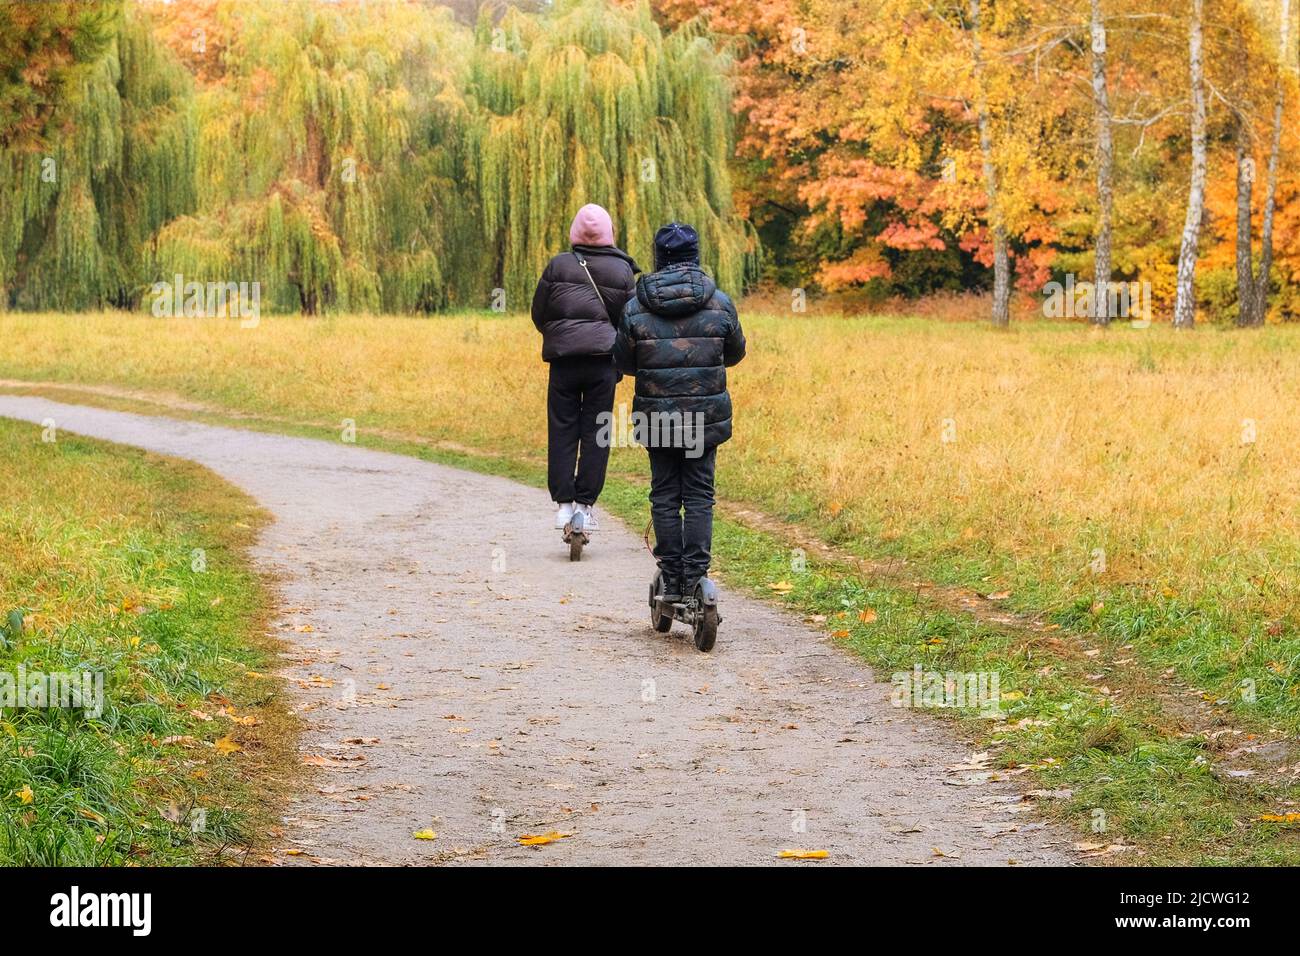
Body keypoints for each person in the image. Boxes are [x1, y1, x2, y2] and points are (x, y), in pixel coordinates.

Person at [614, 222, 745, 602]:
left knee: (666, 495)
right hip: (705, 418)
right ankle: (695, 576)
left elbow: (622, 360)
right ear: (695, 257)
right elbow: (735, 353)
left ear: (658, 258)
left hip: (658, 420)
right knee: (700, 494)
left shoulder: (636, 307)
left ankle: (671, 578)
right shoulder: (719, 302)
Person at [531, 204, 639, 531]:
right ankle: (586, 507)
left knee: (563, 428)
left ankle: (563, 507)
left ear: (575, 233)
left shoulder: (557, 266)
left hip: (564, 363)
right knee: (596, 433)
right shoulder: (622, 272)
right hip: (603, 363)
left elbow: (539, 313)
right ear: (608, 234)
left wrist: (561, 336)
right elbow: (631, 322)